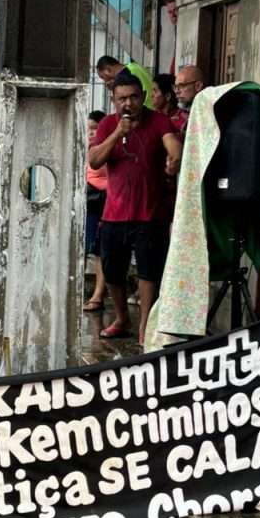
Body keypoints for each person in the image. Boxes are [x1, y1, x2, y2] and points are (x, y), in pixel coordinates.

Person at [89, 71, 182, 344]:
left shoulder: (159, 121)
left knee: (148, 272)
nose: (128, 103)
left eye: (133, 97)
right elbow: (94, 160)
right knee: (112, 271)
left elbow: (174, 148)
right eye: (121, 99)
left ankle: (145, 327)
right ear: (113, 101)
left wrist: (174, 160)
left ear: (143, 97)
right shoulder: (108, 124)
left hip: (151, 213)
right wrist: (118, 132)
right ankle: (122, 319)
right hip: (114, 213)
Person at [84, 111, 108, 313]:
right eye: (88, 129)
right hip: (86, 202)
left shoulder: (107, 148)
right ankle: (76, 290)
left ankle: (99, 295)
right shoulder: (84, 147)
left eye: (95, 128)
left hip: (104, 201)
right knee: (81, 248)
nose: (91, 133)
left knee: (101, 251)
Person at [172, 65, 206, 143]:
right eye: (175, 87)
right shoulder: (182, 114)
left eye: (181, 86)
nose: (177, 91)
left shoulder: (208, 113)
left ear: (198, 86)